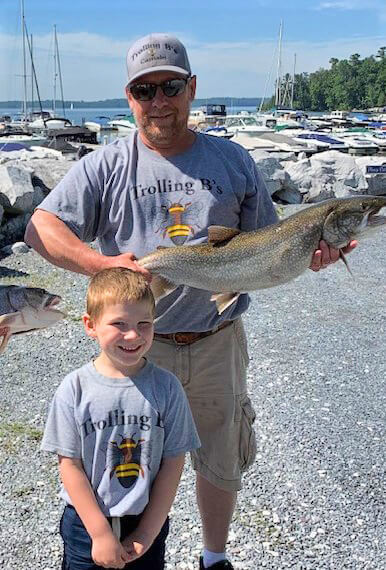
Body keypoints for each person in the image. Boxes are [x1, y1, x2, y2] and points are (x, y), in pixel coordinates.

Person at [26, 33, 357, 569]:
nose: (158, 101)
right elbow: (42, 228)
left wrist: (309, 256)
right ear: (129, 97)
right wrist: (100, 265)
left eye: (170, 87)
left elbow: (268, 249)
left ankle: (213, 556)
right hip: (135, 350)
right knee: (123, 459)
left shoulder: (233, 161)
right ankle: (120, 550)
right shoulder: (106, 164)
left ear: (192, 88)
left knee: (220, 457)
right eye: (144, 90)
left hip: (216, 340)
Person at [41, 267, 200, 570]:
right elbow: (69, 464)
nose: (133, 335)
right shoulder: (74, 388)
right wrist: (100, 534)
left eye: (144, 324)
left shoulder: (167, 387)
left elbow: (173, 461)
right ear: (90, 324)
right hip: (85, 526)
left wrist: (147, 532)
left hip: (145, 521)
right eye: (119, 324)